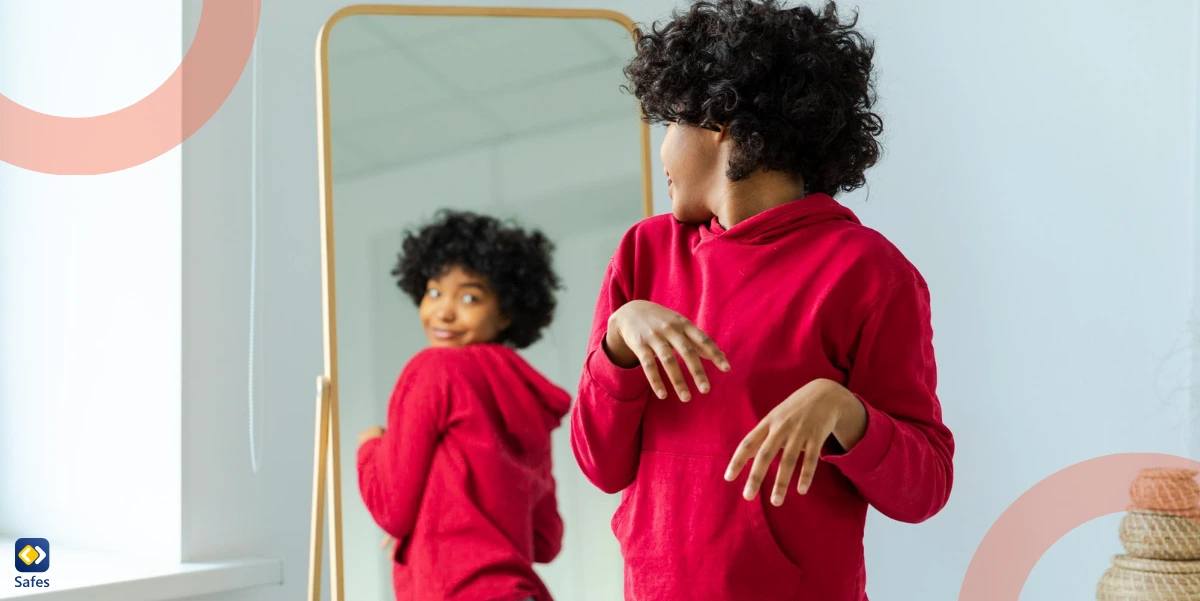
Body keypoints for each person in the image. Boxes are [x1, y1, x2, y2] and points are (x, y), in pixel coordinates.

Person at [570, 1, 955, 599]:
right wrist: (617, 343)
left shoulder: (868, 272)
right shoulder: (642, 254)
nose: (663, 150)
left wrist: (843, 411)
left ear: (720, 121)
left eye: (669, 122)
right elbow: (600, 465)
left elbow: (924, 487)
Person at [357, 210, 569, 601]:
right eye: (434, 292)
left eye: (469, 297)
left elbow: (390, 508)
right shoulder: (526, 394)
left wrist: (371, 445)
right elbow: (545, 539)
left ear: (506, 312)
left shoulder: (435, 370)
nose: (443, 311)